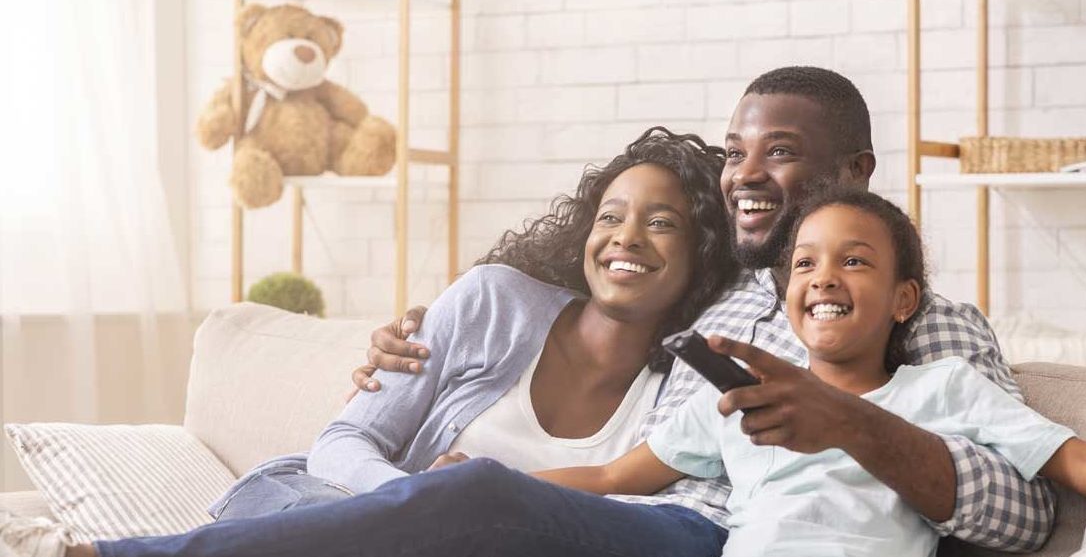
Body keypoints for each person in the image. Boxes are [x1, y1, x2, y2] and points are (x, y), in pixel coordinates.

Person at [359, 66, 1058, 551]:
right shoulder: (711, 291)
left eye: (779, 152)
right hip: (607, 514)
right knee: (328, 492)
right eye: (734, 153)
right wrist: (430, 331)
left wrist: (850, 421)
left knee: (467, 510)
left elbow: (1026, 512)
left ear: (856, 171)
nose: (745, 174)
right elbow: (601, 282)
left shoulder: (925, 322)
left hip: (711, 534)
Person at [3, 127, 737, 557]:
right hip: (316, 505)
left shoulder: (678, 392)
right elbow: (344, 439)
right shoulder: (494, 302)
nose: (626, 238)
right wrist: (420, 492)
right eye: (610, 216)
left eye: (661, 222)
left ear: (701, 249)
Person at [531, 188, 1086, 557]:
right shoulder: (741, 398)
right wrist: (496, 475)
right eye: (804, 263)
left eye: (855, 261)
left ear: (904, 300)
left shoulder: (945, 387)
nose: (823, 276)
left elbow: (1080, 463)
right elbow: (611, 477)